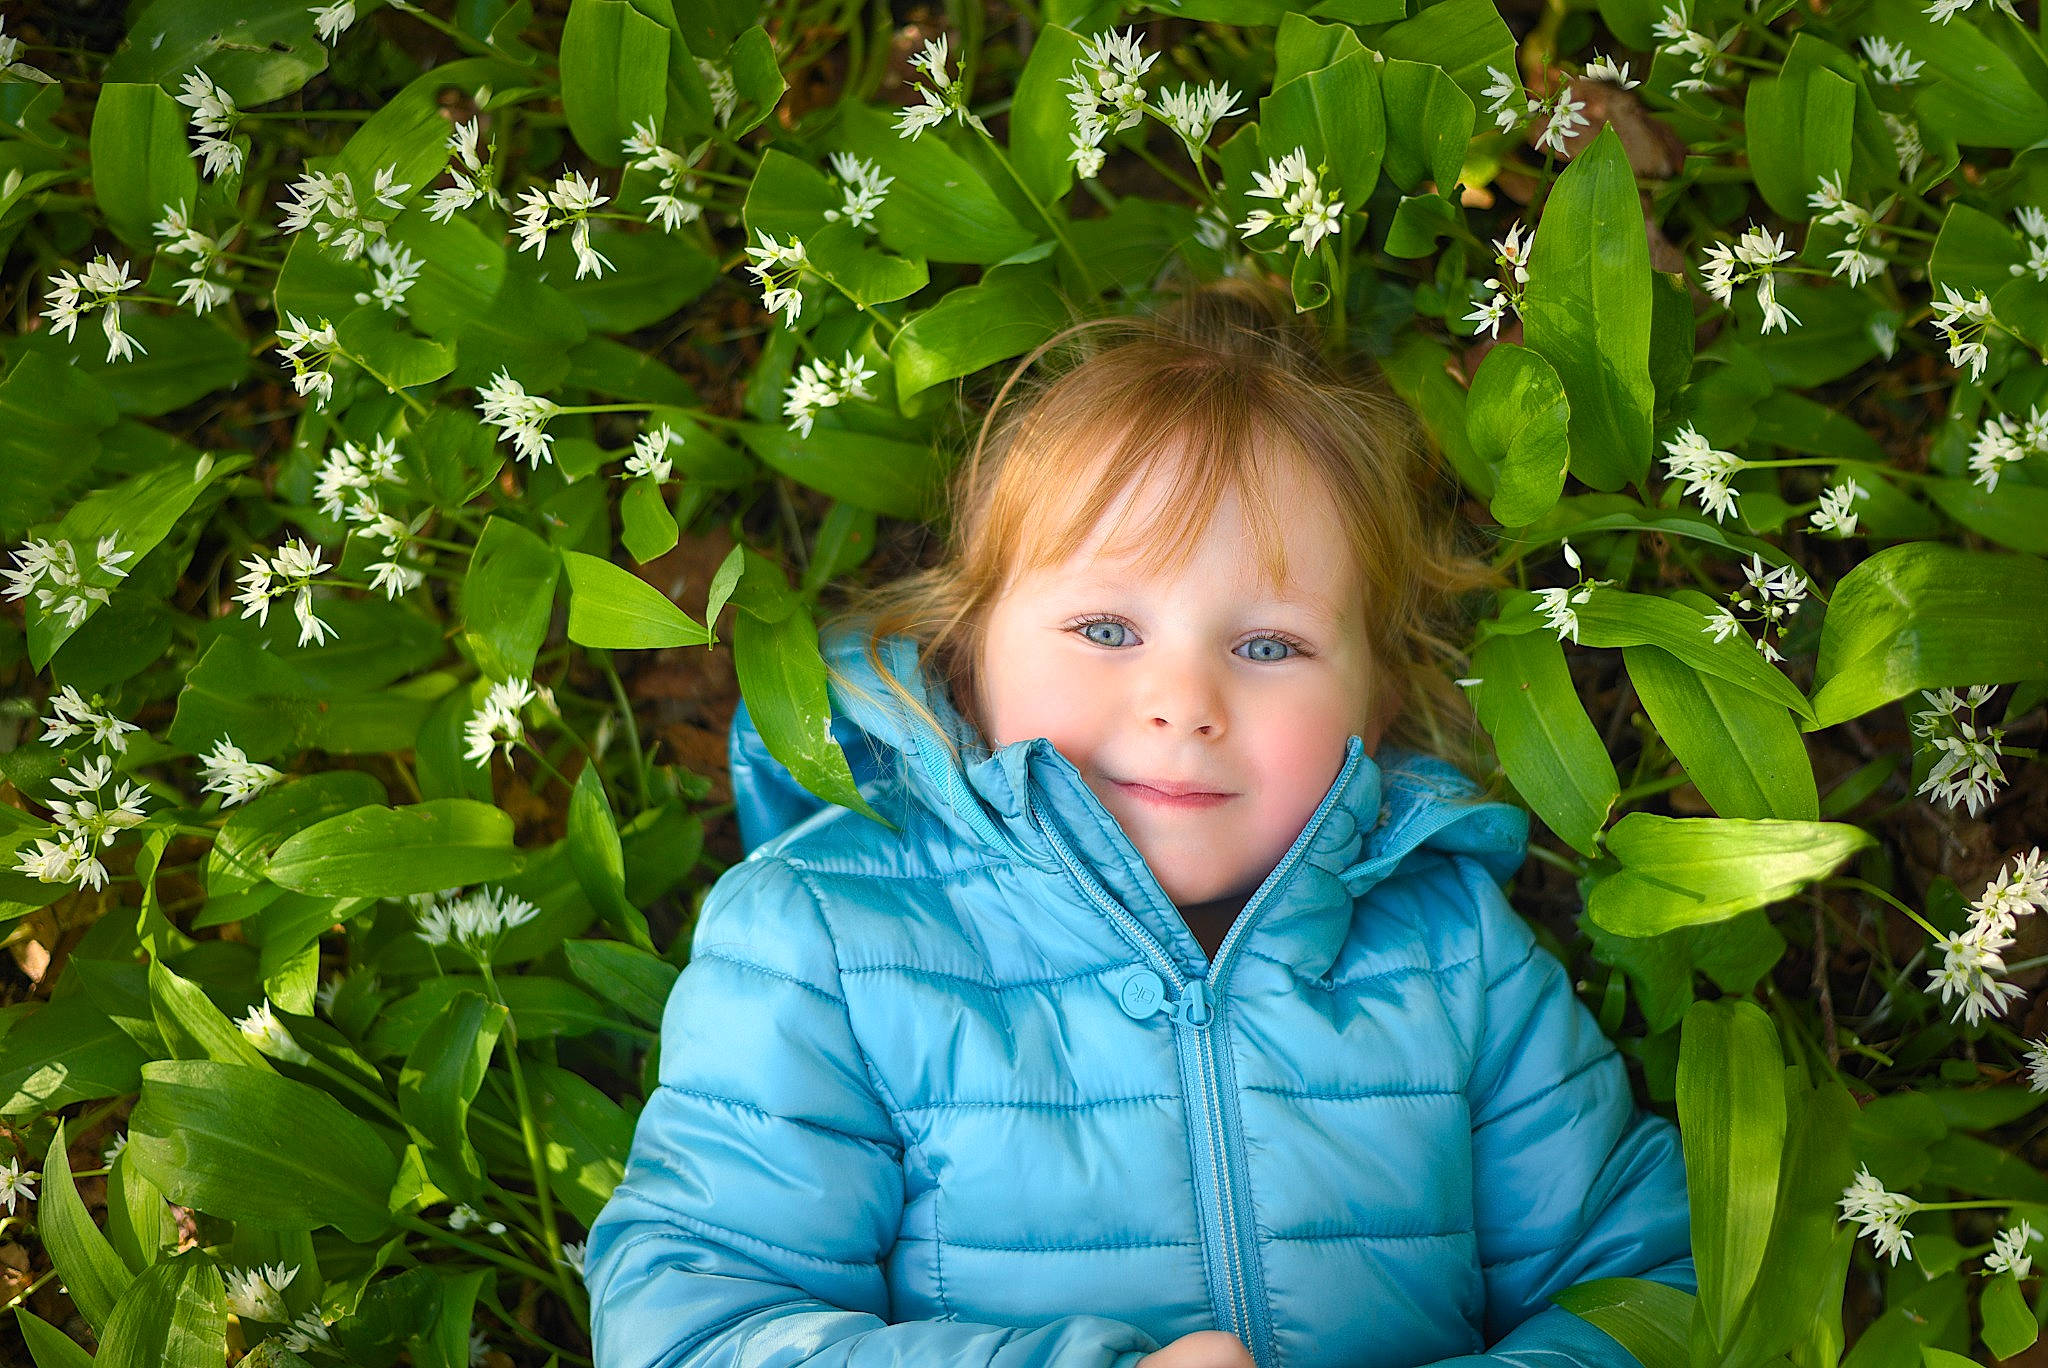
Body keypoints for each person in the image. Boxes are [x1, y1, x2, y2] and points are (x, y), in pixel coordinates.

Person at [581, 274, 1695, 1368]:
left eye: (1267, 647)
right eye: (1106, 629)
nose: (1183, 703)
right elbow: (692, 1324)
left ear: (1377, 703)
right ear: (967, 654)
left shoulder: (1458, 959)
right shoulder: (822, 943)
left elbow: (1654, 1285)